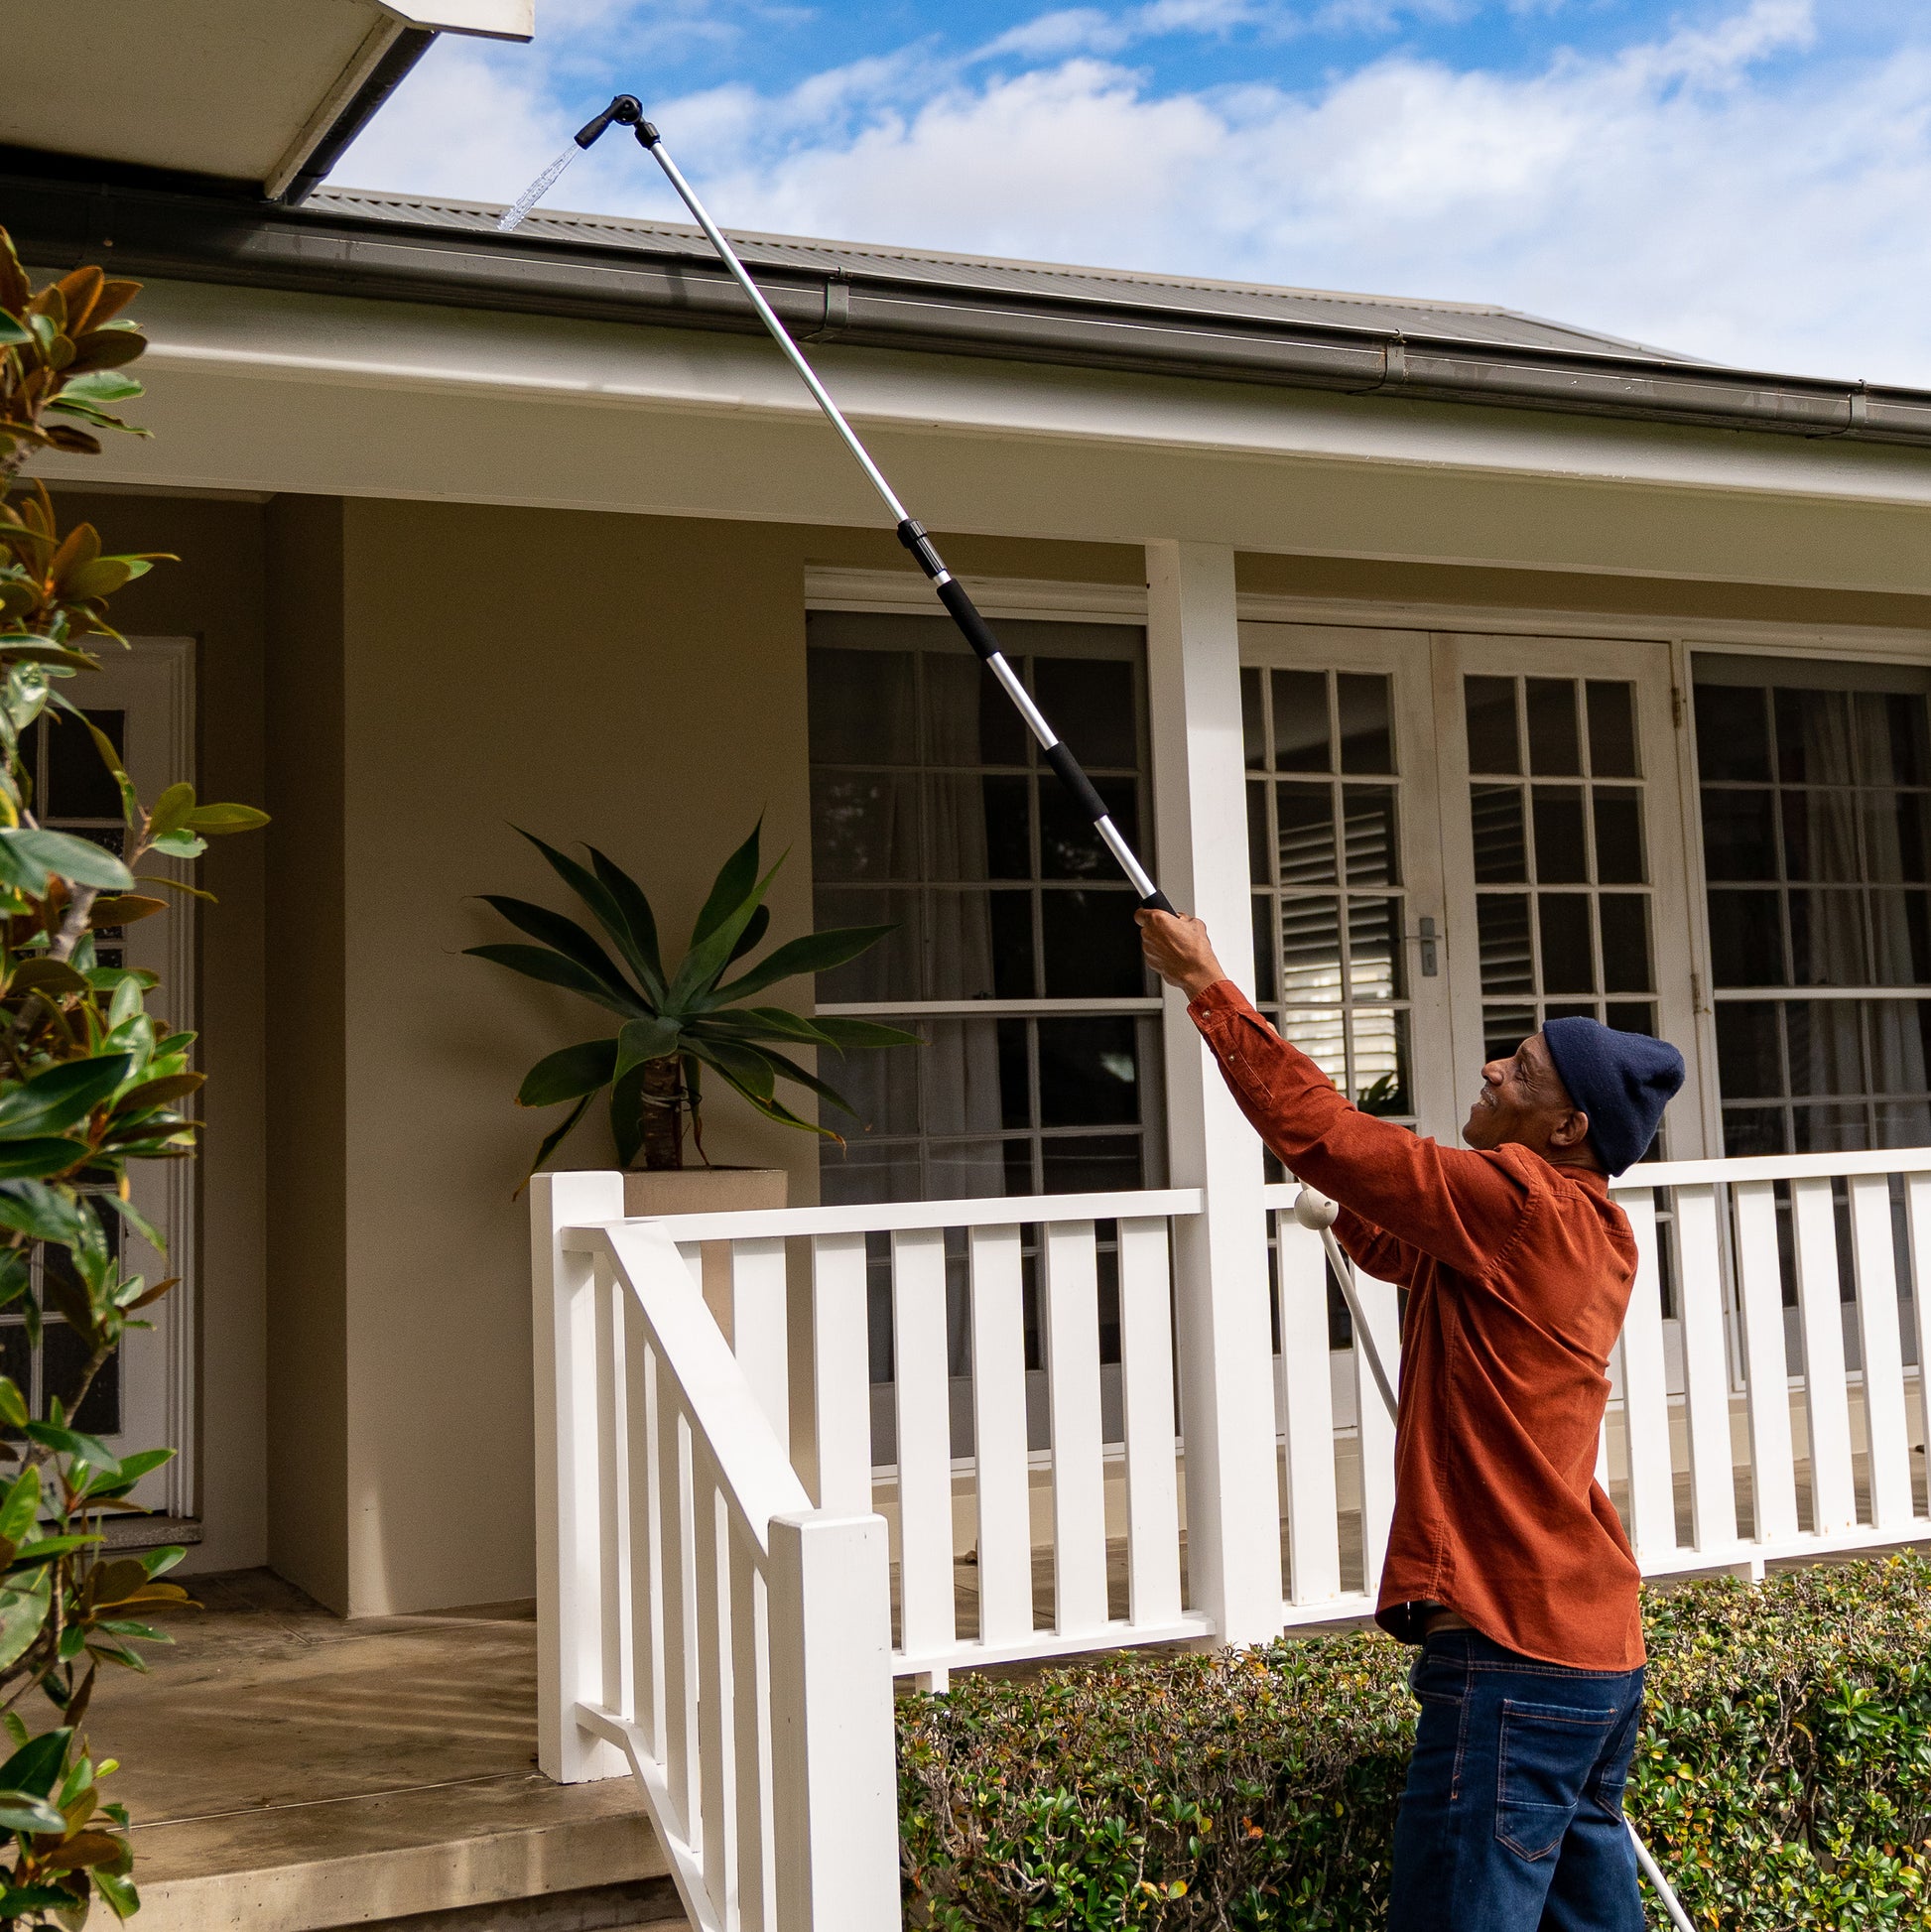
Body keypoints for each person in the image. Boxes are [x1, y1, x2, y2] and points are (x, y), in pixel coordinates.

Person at [1136, 907, 1686, 1932]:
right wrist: (1339, 1191)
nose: (1488, 1070)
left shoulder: (1522, 1201)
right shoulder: (1580, 1229)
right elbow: (1397, 1239)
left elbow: (1334, 1140)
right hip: (1590, 1661)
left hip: (1514, 1655)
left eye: (1520, 1072)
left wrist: (1206, 988)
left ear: (1567, 1130)